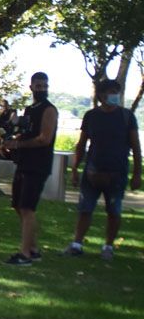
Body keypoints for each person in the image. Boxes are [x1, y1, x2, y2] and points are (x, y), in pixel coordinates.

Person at [62, 79, 142, 261]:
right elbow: (81, 144)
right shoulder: (91, 116)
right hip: (92, 172)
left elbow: (136, 146)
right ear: (101, 95)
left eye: (116, 91)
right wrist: (74, 169)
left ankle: (108, 246)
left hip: (117, 172)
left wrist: (137, 174)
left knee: (114, 211)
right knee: (85, 209)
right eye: (110, 91)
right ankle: (77, 244)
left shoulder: (127, 117)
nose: (114, 95)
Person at [0, 72, 57, 265]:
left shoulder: (49, 110)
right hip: (24, 163)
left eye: (44, 86)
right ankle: (33, 249)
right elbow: (25, 133)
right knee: (18, 205)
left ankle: (24, 254)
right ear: (31, 87)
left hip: (38, 164)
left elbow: (44, 139)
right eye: (38, 85)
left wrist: (19, 145)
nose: (41, 89)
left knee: (27, 207)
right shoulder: (30, 109)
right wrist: (10, 142)